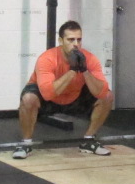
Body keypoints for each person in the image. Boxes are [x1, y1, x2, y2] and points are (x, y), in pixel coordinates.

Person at [15, 21, 113, 159]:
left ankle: (89, 140)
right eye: (70, 40)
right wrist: (72, 70)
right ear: (61, 41)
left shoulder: (90, 59)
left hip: (74, 97)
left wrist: (84, 70)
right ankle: (26, 144)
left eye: (79, 40)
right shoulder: (47, 59)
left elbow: (101, 92)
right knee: (28, 99)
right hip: (48, 100)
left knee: (107, 96)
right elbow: (48, 93)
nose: (76, 44)